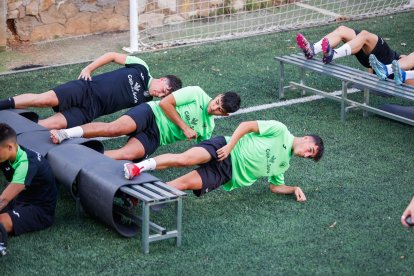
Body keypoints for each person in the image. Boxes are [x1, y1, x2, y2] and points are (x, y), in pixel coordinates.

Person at [124, 120, 324, 201]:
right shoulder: (280, 130)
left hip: (227, 174)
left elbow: (274, 187)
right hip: (225, 149)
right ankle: (138, 167)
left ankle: (138, 198)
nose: (306, 154)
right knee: (184, 159)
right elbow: (247, 125)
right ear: (306, 138)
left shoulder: (284, 165)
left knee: (181, 184)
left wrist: (293, 188)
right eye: (310, 150)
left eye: (310, 156)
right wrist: (229, 146)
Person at [50, 86, 241, 161]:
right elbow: (166, 103)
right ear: (218, 96)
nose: (213, 109)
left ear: (224, 115)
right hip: (151, 113)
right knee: (115, 128)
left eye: (219, 111)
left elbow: (202, 149)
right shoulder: (196, 93)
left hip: (156, 136)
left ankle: (78, 159)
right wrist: (184, 128)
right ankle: (65, 133)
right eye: (216, 103)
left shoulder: (209, 128)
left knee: (128, 154)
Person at [0, 52, 182, 130]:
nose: (160, 94)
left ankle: (9, 130)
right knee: (43, 100)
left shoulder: (147, 102)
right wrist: (88, 69)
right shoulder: (141, 67)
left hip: (91, 111)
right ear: (161, 79)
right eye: (162, 90)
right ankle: (3, 104)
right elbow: (111, 56)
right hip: (85, 89)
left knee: (49, 125)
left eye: (164, 95)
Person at [0, 123, 57, 237]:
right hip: (19, 198)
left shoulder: (26, 164)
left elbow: (3, 200)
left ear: (10, 147)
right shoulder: (8, 153)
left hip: (39, 210)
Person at [296, 26, 401, 69]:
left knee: (365, 35)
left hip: (389, 62)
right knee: (342, 30)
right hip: (379, 62)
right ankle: (312, 49)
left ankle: (332, 54)